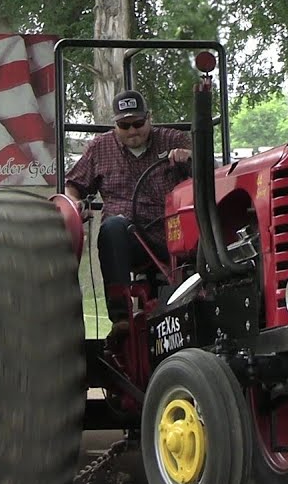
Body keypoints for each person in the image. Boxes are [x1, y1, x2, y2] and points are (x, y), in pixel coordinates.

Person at [64, 90, 192, 340]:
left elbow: (212, 169)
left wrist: (190, 157)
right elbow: (73, 187)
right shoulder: (100, 148)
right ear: (115, 124)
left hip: (170, 231)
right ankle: (121, 317)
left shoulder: (174, 140)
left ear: (149, 118)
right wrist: (76, 203)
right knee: (112, 228)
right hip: (128, 237)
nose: (132, 131)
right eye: (125, 125)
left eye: (138, 123)